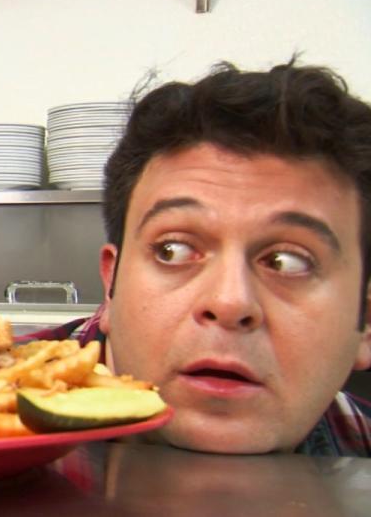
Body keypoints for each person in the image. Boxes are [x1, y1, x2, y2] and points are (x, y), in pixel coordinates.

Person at [32, 59, 371, 456]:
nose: (229, 303)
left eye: (287, 262)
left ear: (365, 323)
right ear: (111, 286)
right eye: (172, 250)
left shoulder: (358, 443)